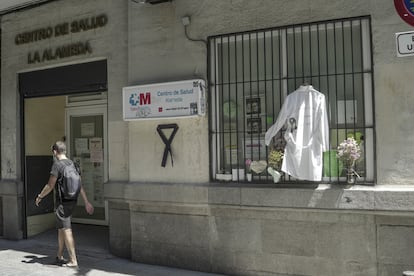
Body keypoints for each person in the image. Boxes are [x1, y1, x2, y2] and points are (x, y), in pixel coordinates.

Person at [35, 141, 94, 268]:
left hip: (63, 203)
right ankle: (59, 255)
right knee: (61, 228)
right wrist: (86, 202)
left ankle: (73, 260)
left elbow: (50, 185)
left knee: (67, 230)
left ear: (55, 151)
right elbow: (80, 185)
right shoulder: (74, 164)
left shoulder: (57, 165)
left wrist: (40, 196)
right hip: (72, 200)